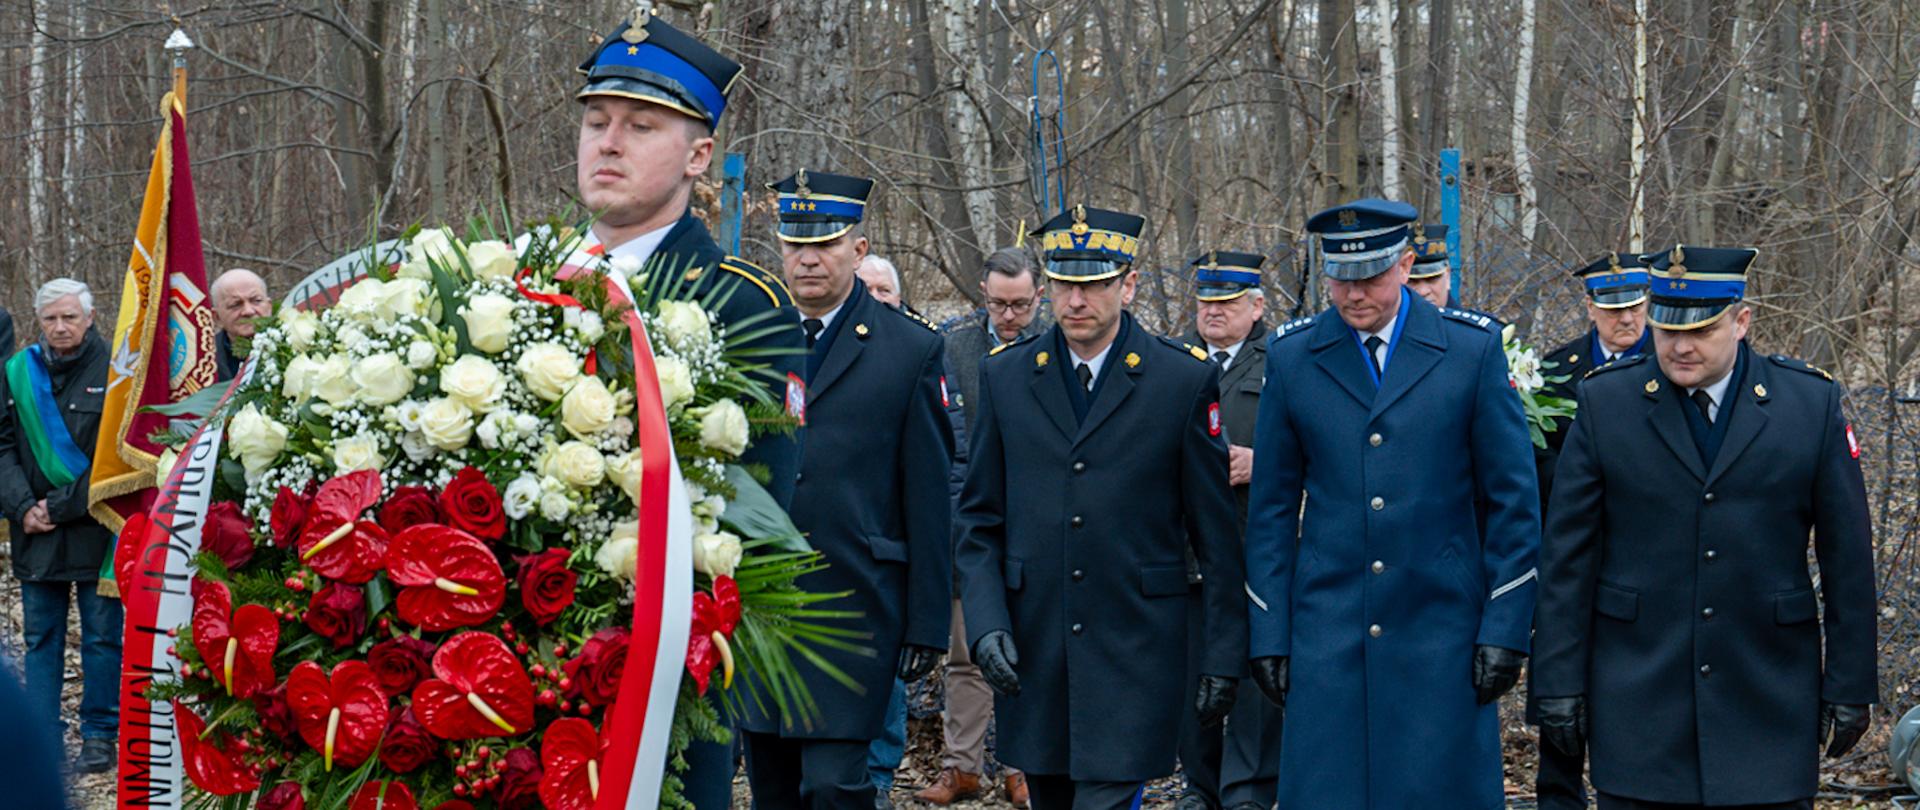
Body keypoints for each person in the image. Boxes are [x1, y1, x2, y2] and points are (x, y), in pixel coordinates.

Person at [1532, 245, 1877, 810]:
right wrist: (1558, 680)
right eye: (1667, 330)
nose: (1680, 347)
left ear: (1741, 322)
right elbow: (1569, 556)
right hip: (1640, 696)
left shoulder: (1806, 404)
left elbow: (1848, 558)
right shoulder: (1607, 401)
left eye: (1701, 330)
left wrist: (1850, 683)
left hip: (1766, 692)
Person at [571, 11, 807, 808]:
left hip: (659, 681)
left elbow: (758, 511)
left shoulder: (744, 307)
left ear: (699, 155)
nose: (608, 142)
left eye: (642, 126)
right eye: (597, 120)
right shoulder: (522, 276)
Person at [1243, 199, 1540, 809]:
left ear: (1407, 266)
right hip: (1329, 632)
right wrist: (1269, 632)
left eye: (1371, 277)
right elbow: (1271, 509)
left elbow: (1514, 501)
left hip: (1442, 630)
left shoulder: (1469, 351)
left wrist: (1505, 626)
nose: (1353, 295)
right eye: (1340, 279)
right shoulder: (1293, 356)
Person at [955, 204, 1246, 810]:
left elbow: (1215, 534)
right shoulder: (1007, 378)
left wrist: (1222, 654)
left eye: (1093, 284)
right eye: (1064, 284)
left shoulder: (1177, 380)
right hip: (1035, 649)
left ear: (1129, 284)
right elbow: (980, 520)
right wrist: (985, 624)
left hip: (1134, 648)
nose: (1076, 300)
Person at [741, 168, 953, 810]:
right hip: (760, 607)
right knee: (771, 787)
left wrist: (928, 623)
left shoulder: (908, 350)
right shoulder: (749, 339)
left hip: (855, 606)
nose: (809, 258)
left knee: (835, 784)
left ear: (858, 251)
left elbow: (928, 493)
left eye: (826, 243)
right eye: (795, 243)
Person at [916, 247, 1047, 808]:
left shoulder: (1055, 349)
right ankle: (963, 767)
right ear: (982, 294)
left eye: (1020, 305)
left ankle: (1024, 767)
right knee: (967, 651)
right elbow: (946, 439)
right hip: (971, 521)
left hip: (1038, 525)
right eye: (998, 304)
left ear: (1038, 297)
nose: (1009, 316)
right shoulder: (955, 346)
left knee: (1032, 653)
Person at [1525, 250, 1651, 810]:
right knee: (1562, 699)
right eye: (1612, 309)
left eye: (1636, 308)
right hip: (1570, 559)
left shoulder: (1671, 365)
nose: (1625, 320)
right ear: (1590, 308)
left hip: (1646, 557)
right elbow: (1535, 465)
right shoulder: (1555, 371)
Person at [1173, 251, 1280, 810]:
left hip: (1256, 544)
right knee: (1197, 667)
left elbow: (1317, 446)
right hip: (1191, 552)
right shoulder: (1174, 360)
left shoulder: (1282, 359)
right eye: (1206, 300)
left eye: (1228, 301)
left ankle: (1248, 789)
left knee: (1254, 675)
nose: (1213, 311)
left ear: (1257, 305)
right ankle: (1200, 784)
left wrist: (1262, 463)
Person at [0, 279, 121, 774]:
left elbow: (117, 458)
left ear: (90, 317)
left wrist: (59, 506)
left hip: (94, 525)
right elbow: (2, 445)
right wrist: (23, 504)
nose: (60, 326)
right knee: (41, 639)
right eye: (50, 318)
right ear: (38, 321)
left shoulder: (117, 369)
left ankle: (99, 735)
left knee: (100, 637)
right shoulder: (16, 372)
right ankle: (43, 737)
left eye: (69, 316)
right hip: (36, 533)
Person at [210, 268, 271, 381]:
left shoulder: (296, 349)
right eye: (235, 305)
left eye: (256, 301)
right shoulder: (205, 361)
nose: (248, 311)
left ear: (269, 307)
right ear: (217, 317)